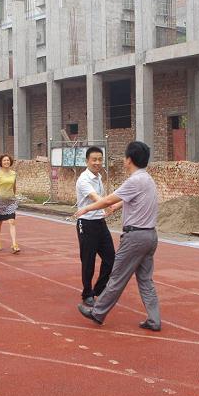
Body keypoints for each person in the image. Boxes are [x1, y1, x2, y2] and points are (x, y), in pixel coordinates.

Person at [74, 141, 161, 331]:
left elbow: (107, 200)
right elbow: (123, 201)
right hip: (150, 236)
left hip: (135, 237)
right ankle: (154, 319)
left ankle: (97, 312)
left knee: (117, 276)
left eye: (124, 157)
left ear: (129, 160)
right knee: (145, 280)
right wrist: (115, 206)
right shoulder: (148, 179)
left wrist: (85, 208)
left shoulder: (134, 180)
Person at [75, 146, 116, 307]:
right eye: (94, 159)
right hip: (86, 223)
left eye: (100, 159)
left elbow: (101, 197)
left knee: (111, 258)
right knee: (88, 261)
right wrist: (106, 204)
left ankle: (99, 289)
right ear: (87, 161)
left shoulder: (98, 176)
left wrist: (107, 206)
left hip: (100, 222)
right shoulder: (83, 179)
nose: (97, 162)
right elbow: (95, 197)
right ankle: (87, 293)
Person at [0, 154, 20, 254]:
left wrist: (13, 197)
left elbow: (14, 187)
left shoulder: (14, 174)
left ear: (10, 162)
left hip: (10, 201)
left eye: (8, 160)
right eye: (4, 161)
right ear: (1, 163)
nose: (6, 162)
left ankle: (14, 244)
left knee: (12, 222)